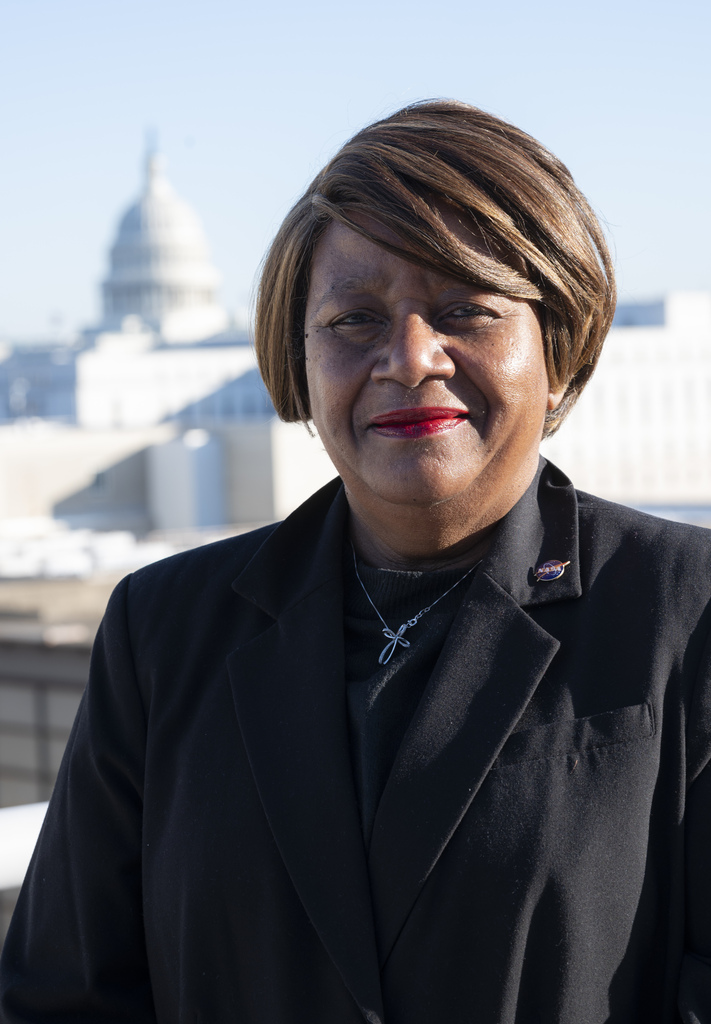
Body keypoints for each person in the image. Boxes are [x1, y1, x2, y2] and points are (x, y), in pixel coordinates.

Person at [1, 100, 710, 1024]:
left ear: (558, 348)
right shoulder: (162, 631)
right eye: (354, 318)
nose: (408, 359)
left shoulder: (683, 609)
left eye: (465, 309)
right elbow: (65, 994)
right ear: (298, 359)